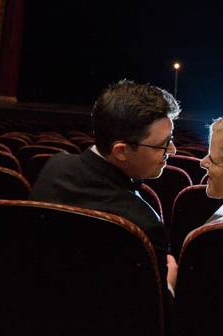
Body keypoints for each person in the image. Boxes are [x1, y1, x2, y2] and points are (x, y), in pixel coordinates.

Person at [30, 79, 180, 295]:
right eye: (163, 144)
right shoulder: (143, 224)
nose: (173, 150)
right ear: (121, 151)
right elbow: (154, 315)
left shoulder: (54, 165)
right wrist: (168, 285)